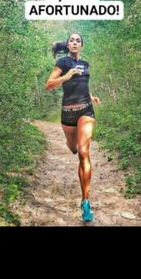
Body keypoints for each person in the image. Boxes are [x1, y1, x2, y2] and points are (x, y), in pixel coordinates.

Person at [45, 32, 101, 222]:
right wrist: (66, 76)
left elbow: (83, 84)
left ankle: (85, 201)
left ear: (81, 45)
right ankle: (73, 146)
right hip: (68, 112)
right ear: (68, 45)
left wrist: (91, 96)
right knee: (73, 147)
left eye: (78, 40)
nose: (75, 43)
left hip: (86, 109)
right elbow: (48, 84)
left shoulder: (86, 64)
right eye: (72, 40)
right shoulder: (62, 63)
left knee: (84, 153)